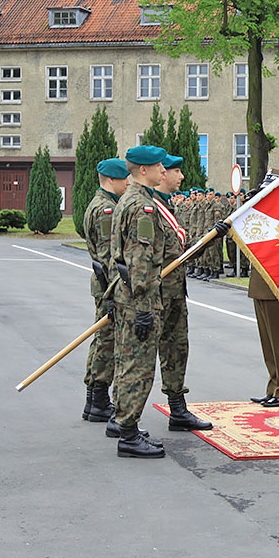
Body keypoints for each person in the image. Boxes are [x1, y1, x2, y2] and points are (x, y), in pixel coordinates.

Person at [110, 145, 169, 458]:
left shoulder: (127, 199)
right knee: (138, 366)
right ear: (143, 170)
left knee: (124, 360)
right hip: (138, 299)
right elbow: (140, 260)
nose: (163, 171)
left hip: (124, 295)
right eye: (159, 166)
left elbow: (113, 255)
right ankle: (129, 435)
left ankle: (124, 425)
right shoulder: (142, 207)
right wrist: (145, 307)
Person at [152, 154, 217, 431]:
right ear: (162, 173)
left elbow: (182, 250)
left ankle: (178, 409)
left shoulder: (168, 207)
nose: (182, 177)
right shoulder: (148, 208)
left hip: (175, 291)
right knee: (140, 356)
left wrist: (214, 234)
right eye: (177, 171)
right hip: (153, 295)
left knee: (177, 349)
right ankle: (122, 417)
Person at [81, 157, 130, 424]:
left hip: (103, 285)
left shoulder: (104, 204)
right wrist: (113, 294)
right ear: (111, 180)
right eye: (124, 179)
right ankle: (98, 399)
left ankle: (94, 401)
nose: (128, 182)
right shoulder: (106, 211)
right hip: (107, 286)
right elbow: (108, 257)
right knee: (107, 342)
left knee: (102, 339)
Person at [247, 170, 279, 408]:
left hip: (278, 286)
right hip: (260, 284)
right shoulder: (263, 216)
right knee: (268, 343)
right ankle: (274, 386)